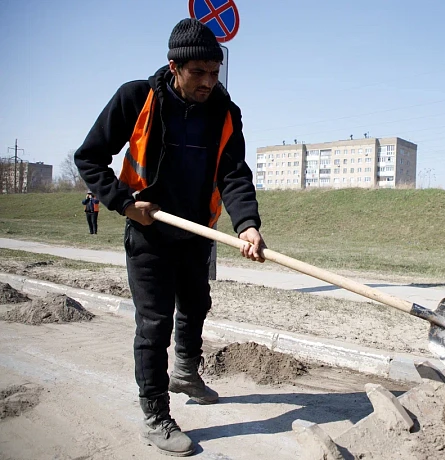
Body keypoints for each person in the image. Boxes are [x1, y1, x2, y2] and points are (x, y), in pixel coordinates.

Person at [74, 18, 265, 456]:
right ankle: (156, 413)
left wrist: (248, 224)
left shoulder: (225, 112)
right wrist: (123, 202)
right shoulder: (137, 98)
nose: (207, 82)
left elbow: (234, 173)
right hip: (149, 231)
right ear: (174, 66)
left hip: (196, 231)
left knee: (196, 304)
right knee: (155, 323)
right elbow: (90, 157)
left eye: (214, 73)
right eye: (198, 72)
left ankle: (184, 371)